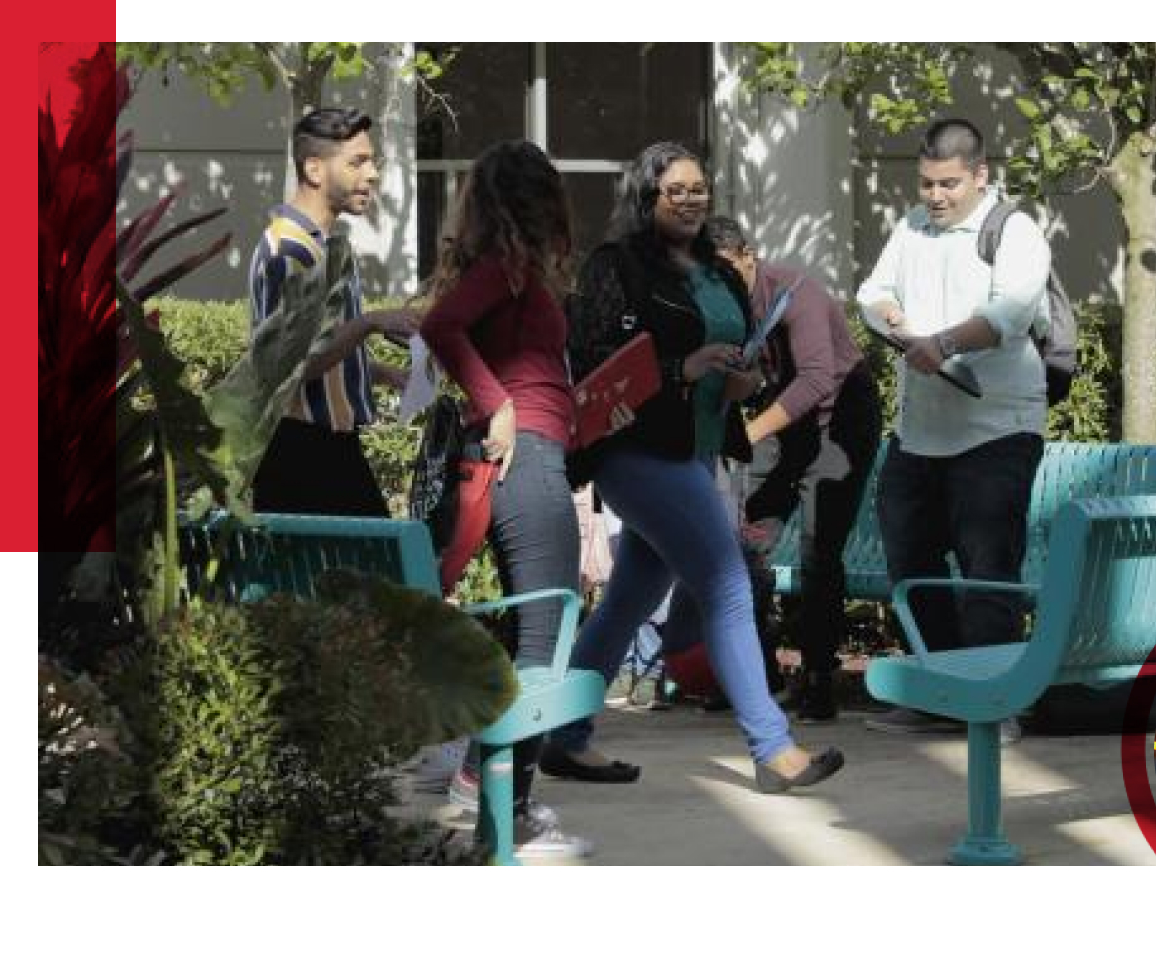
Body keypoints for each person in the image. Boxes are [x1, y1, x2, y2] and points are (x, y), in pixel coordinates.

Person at [541, 141, 844, 795]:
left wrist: (743, 381)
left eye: (698, 188)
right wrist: (685, 368)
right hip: (636, 452)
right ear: (646, 196)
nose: (689, 200)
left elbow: (740, 355)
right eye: (674, 190)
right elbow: (596, 358)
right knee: (728, 585)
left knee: (630, 600)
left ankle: (560, 736)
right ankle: (773, 748)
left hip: (698, 446)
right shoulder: (616, 267)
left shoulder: (719, 271)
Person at [415, 139, 593, 860]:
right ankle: (501, 810)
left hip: (537, 458)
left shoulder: (511, 271)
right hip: (528, 465)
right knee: (546, 644)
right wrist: (500, 406)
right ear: (538, 199)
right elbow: (440, 326)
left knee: (536, 638)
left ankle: (486, 789)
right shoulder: (506, 270)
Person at [854, 117, 1050, 734]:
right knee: (912, 563)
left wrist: (939, 342)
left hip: (997, 429)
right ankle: (939, 694)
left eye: (949, 184)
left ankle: (994, 707)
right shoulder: (911, 227)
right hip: (920, 433)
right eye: (927, 183)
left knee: (988, 569)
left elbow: (1009, 315)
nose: (935, 196)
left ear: (980, 175)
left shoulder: (1014, 230)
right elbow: (871, 291)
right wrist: (890, 314)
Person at [708, 215, 882, 722]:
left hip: (839, 421)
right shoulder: (722, 303)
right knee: (742, 543)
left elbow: (814, 381)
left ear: (748, 256)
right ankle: (757, 676)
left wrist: (747, 434)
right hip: (786, 426)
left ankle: (817, 680)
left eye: (726, 270)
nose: (718, 283)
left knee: (817, 549)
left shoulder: (795, 294)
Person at [247, 106, 416, 515]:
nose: (372, 174)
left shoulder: (321, 246)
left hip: (323, 450)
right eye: (357, 162)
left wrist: (386, 374)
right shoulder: (291, 250)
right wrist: (370, 323)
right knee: (381, 571)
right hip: (301, 451)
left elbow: (323, 353)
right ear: (315, 169)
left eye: (371, 161)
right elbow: (293, 363)